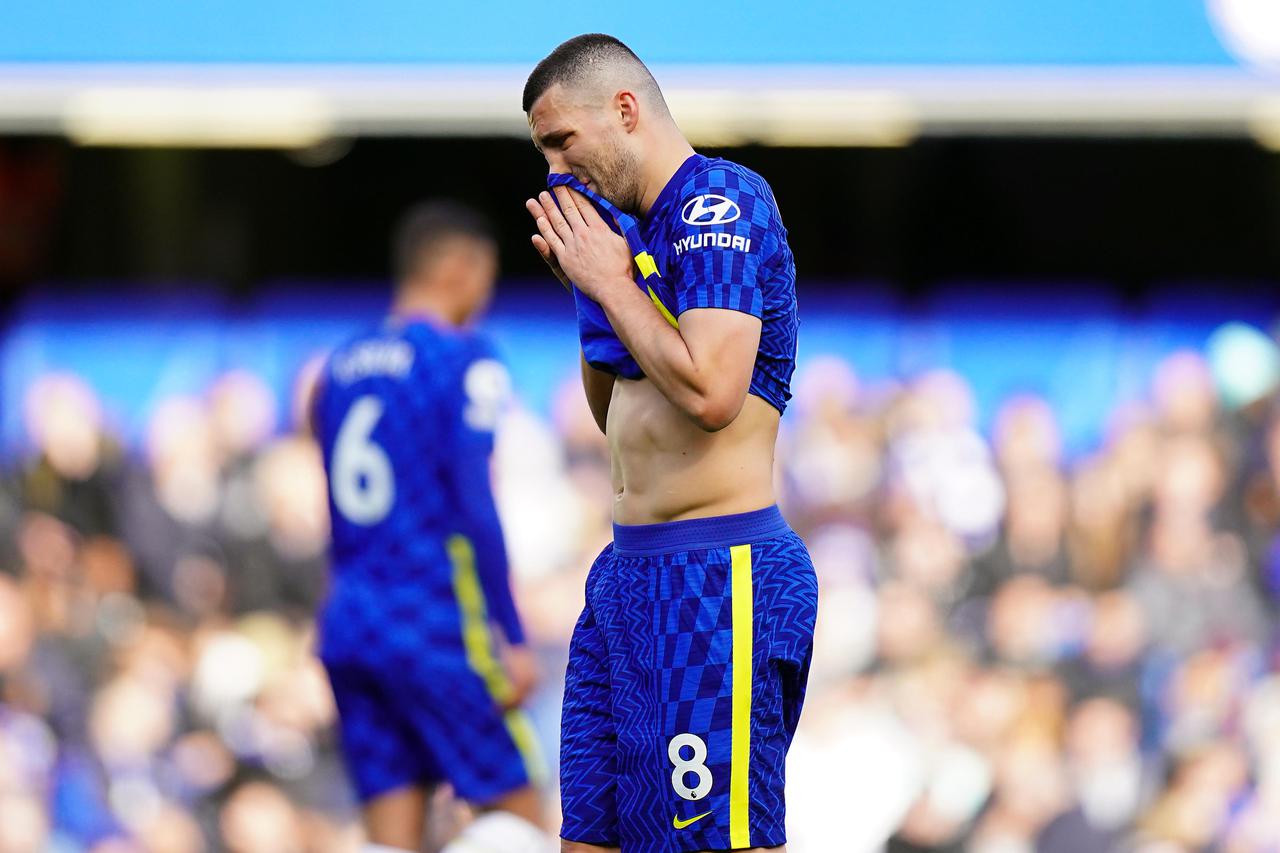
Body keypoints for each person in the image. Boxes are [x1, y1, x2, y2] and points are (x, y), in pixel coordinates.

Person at [522, 34, 818, 853]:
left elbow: (713, 394)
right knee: (590, 837)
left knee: (707, 839)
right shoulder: (639, 233)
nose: (553, 170)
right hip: (628, 572)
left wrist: (615, 282)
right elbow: (617, 419)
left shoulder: (717, 200)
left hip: (716, 574)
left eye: (561, 141)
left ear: (624, 110)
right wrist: (593, 296)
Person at [311, 201, 552, 853]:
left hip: (351, 621)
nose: (487, 293)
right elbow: (474, 499)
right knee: (530, 821)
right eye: (488, 274)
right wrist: (511, 630)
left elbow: (331, 515)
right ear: (457, 267)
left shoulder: (335, 367)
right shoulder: (463, 359)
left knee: (390, 838)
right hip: (432, 620)